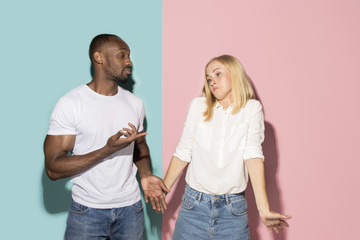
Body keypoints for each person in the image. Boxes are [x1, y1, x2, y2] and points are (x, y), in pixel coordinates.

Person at [44, 34, 168, 240]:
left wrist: (145, 174)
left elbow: (140, 147)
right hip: (87, 211)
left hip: (131, 210)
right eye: (122, 55)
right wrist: (107, 150)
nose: (129, 62)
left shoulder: (135, 103)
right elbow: (53, 168)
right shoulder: (71, 103)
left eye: (129, 56)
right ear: (99, 57)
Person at [164, 55, 291, 239]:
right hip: (193, 206)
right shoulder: (198, 106)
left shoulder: (252, 109)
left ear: (235, 75)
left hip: (233, 211)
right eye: (208, 78)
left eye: (217, 74)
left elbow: (253, 157)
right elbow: (183, 152)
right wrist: (162, 191)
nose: (212, 81)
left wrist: (264, 209)